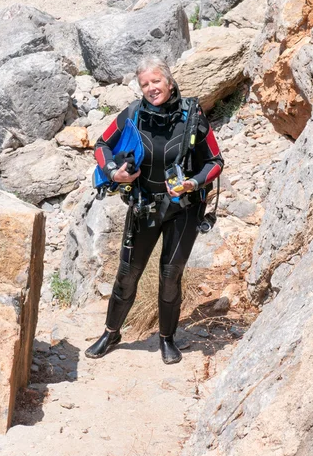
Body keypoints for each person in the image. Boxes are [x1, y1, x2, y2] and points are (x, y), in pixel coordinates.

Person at [85, 56, 224, 364]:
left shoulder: (192, 115)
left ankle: (166, 339)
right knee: (127, 274)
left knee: (170, 274)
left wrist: (192, 183)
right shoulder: (133, 114)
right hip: (144, 205)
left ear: (169, 82)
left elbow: (215, 162)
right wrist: (112, 172)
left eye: (156, 81)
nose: (151, 88)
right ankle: (111, 332)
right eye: (145, 84)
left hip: (184, 208)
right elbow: (100, 145)